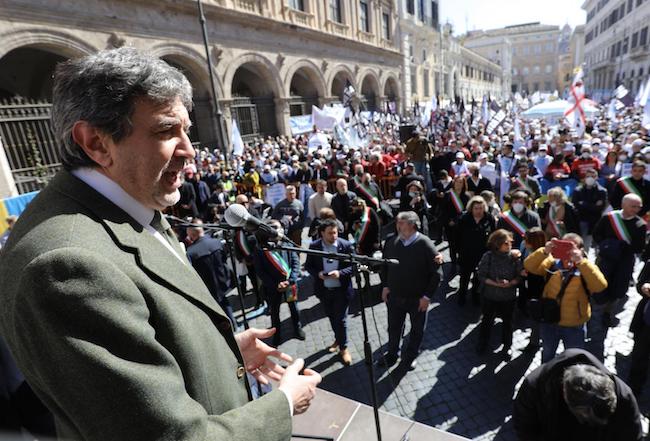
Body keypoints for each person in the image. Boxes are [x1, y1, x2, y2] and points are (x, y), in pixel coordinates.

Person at [0, 47, 320, 441]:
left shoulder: (128, 202)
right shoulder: (66, 267)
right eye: (166, 130)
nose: (189, 150)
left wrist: (222, 355)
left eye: (187, 129)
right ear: (96, 143)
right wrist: (284, 404)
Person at [513, 348, 642, 441]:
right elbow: (525, 430)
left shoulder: (624, 397)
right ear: (565, 395)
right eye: (584, 418)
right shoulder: (535, 388)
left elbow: (632, 436)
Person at [524, 234, 608, 363]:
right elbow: (529, 265)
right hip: (549, 320)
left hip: (574, 324)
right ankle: (546, 377)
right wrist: (545, 251)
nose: (567, 250)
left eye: (571, 246)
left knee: (573, 359)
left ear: (581, 249)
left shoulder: (586, 267)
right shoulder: (552, 262)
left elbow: (600, 286)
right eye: (563, 245)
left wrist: (581, 262)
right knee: (547, 354)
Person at [380, 211, 442, 370]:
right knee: (393, 328)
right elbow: (384, 267)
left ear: (412, 225)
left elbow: (436, 274)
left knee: (417, 330)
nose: (397, 225)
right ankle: (393, 353)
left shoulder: (425, 244)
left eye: (401, 222)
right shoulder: (390, 242)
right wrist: (385, 286)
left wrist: (427, 297)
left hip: (417, 300)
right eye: (398, 222)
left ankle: (410, 357)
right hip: (395, 297)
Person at [304, 219, 354, 366]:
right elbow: (309, 266)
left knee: (341, 320)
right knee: (332, 318)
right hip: (324, 291)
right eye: (330, 233)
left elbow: (354, 266)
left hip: (341, 291)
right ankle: (338, 340)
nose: (334, 236)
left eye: (335, 232)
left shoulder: (345, 246)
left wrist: (340, 273)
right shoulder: (314, 246)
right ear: (322, 234)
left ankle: (344, 348)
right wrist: (318, 273)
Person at [593, 193, 647, 327]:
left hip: (624, 261)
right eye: (632, 206)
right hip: (605, 258)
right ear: (623, 205)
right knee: (599, 284)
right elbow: (596, 234)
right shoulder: (609, 218)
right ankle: (594, 311)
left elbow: (639, 247)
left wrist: (622, 248)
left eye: (638, 207)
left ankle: (608, 311)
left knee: (618, 288)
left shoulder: (640, 224)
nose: (635, 209)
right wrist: (608, 246)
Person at [253, 219, 306, 345]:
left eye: (276, 227)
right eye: (271, 228)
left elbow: (295, 263)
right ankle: (276, 334)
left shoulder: (287, 244)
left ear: (282, 230)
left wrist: (291, 280)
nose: (274, 230)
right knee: (274, 312)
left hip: (290, 285)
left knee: (294, 308)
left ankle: (297, 328)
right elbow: (260, 271)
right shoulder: (260, 248)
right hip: (273, 288)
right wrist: (275, 285)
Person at [475, 229, 523, 359]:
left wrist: (511, 282)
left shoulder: (514, 258)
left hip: (509, 298)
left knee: (508, 323)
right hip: (490, 296)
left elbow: (520, 276)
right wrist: (495, 283)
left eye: (510, 243)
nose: (509, 246)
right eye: (506, 243)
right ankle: (483, 343)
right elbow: (481, 275)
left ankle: (507, 346)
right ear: (497, 244)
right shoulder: (488, 256)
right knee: (486, 321)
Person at [186, 219, 237, 329]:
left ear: (192, 235)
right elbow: (224, 258)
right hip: (222, 278)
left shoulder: (190, 252)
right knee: (224, 302)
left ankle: (228, 326)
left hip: (207, 285)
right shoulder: (216, 242)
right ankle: (233, 323)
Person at [456, 196, 496, 306]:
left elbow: (493, 235)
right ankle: (462, 295)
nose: (479, 211)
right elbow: (457, 236)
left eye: (481, 208)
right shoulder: (464, 219)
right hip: (466, 253)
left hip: (482, 255)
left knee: (478, 278)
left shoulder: (489, 219)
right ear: (471, 208)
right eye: (476, 208)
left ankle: (475, 295)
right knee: (464, 277)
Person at [627, 258, 650, 397]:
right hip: (646, 322)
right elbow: (640, 283)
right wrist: (644, 287)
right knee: (639, 356)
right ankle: (634, 388)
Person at [571, 168, 608, 251]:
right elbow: (575, 205)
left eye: (593, 176)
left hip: (596, 221)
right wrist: (592, 205)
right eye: (588, 176)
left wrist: (584, 204)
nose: (590, 178)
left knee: (596, 246)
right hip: (582, 220)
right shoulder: (578, 190)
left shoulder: (602, 191)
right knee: (582, 243)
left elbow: (599, 208)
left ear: (597, 177)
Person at [441, 175, 471, 266]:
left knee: (461, 243)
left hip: (462, 224)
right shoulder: (448, 194)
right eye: (457, 182)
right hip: (450, 224)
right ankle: (453, 260)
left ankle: (461, 260)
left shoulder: (466, 196)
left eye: (461, 182)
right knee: (452, 243)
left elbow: (467, 211)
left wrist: (457, 220)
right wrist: (449, 220)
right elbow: (443, 209)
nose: (459, 184)